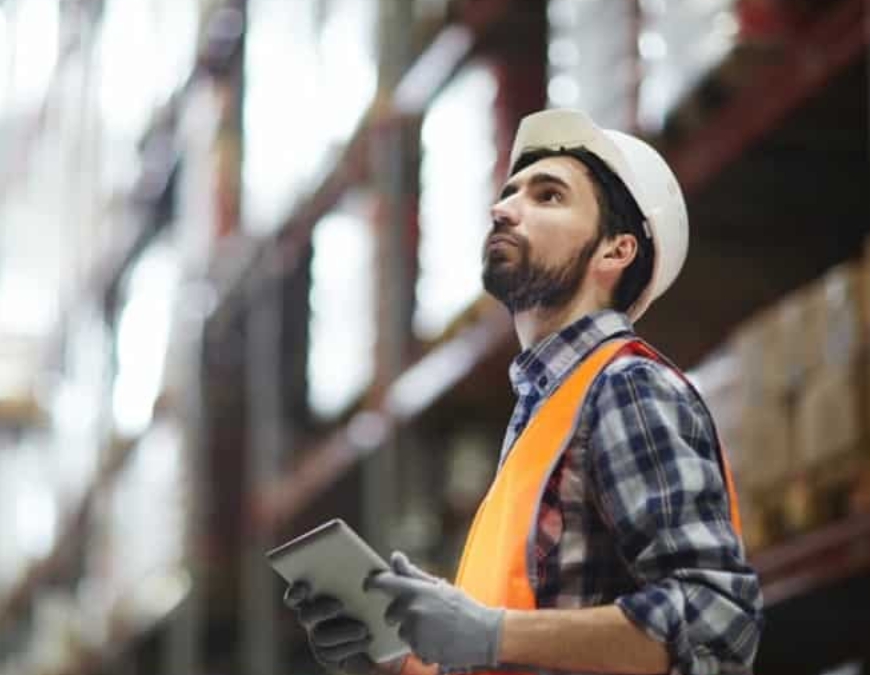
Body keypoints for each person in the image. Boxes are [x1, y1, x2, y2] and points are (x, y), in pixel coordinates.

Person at [283, 108, 763, 675]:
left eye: (548, 196)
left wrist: (491, 631)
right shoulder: (542, 422)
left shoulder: (627, 387)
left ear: (615, 250)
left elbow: (718, 624)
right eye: (509, 194)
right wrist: (400, 659)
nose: (502, 208)